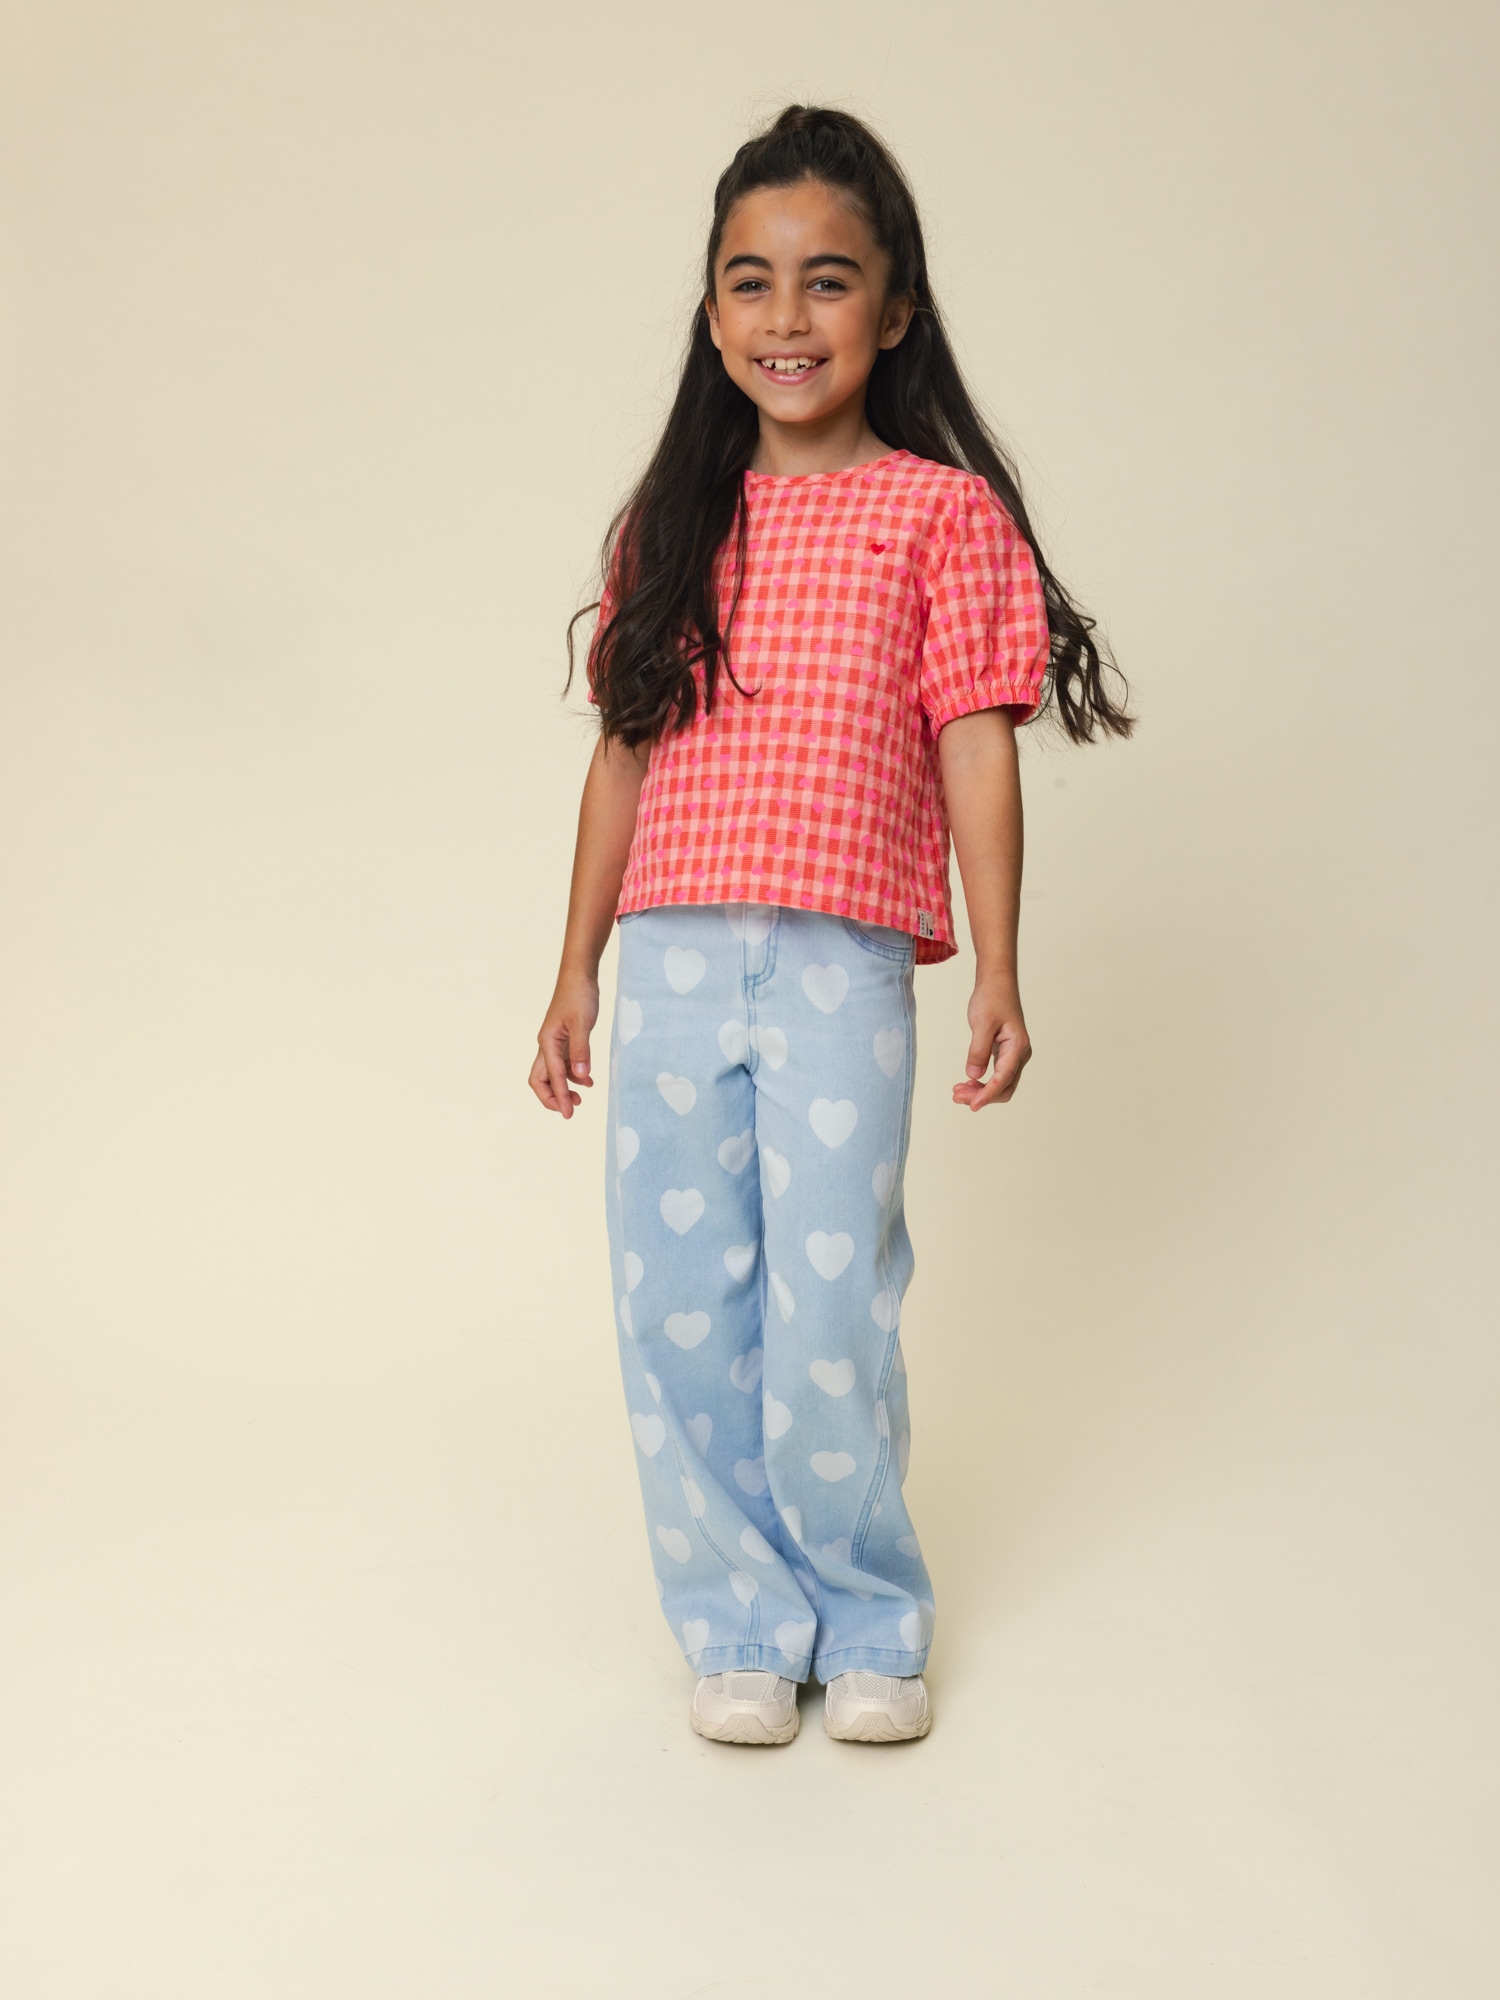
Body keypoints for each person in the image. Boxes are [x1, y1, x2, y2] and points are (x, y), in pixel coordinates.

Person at [529, 105, 1130, 1748]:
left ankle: (867, 1618)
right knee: (676, 1303)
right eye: (752, 281)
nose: (787, 317)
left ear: (895, 307)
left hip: (838, 963)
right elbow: (621, 755)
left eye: (828, 280)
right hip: (672, 956)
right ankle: (736, 1622)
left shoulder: (939, 515)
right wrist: (575, 969)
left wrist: (999, 963)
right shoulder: (670, 523)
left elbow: (974, 744)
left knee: (827, 1306)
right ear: (712, 311)